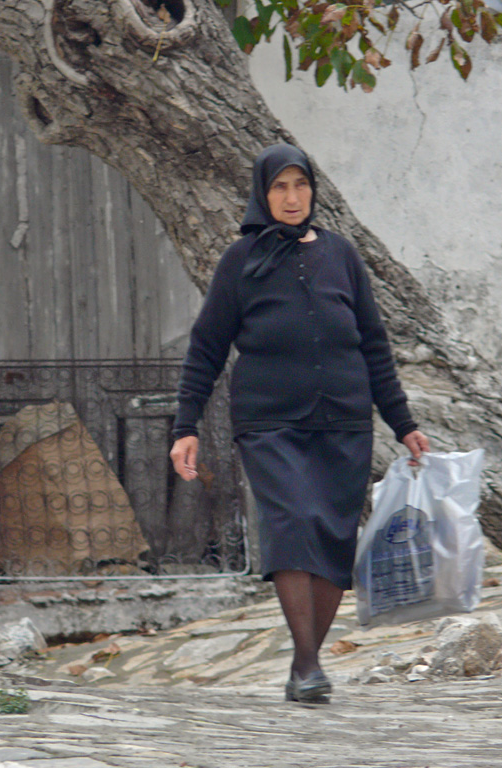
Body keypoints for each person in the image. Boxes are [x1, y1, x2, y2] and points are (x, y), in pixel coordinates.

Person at [169, 144, 429, 703]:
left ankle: (303, 665)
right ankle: (308, 665)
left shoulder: (343, 257)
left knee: (334, 538)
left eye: (301, 186)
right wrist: (184, 426)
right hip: (269, 421)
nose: (292, 198)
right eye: (280, 188)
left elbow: (374, 346)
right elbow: (206, 348)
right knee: (293, 523)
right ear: (264, 195)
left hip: (345, 419)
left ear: (314, 191)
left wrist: (402, 421)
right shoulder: (241, 261)